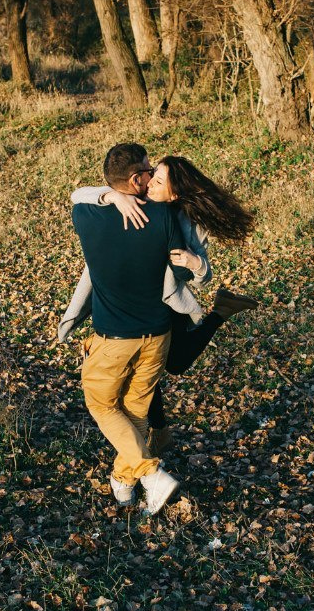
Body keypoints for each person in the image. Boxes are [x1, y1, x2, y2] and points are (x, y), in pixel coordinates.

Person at [60, 154, 258, 453]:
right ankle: (159, 430)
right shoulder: (134, 201)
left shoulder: (181, 219)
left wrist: (195, 263)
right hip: (134, 298)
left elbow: (199, 274)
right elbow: (77, 195)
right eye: (151, 175)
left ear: (174, 193)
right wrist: (113, 196)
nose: (150, 182)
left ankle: (221, 311)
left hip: (162, 301)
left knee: (175, 364)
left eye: (159, 180)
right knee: (143, 369)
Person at [72, 143, 183, 515]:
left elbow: (78, 194)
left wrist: (108, 196)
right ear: (136, 180)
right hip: (158, 336)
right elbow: (179, 271)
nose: (152, 175)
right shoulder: (165, 216)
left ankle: (151, 475)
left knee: (100, 403)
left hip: (114, 340)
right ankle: (123, 483)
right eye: (148, 170)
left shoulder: (85, 215)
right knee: (134, 412)